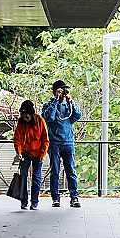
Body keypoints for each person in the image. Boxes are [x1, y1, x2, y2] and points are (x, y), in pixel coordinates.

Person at [42, 79, 82, 207]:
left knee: (71, 170)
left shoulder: (68, 105)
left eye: (64, 91)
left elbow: (77, 116)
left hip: (68, 142)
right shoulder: (48, 105)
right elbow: (49, 118)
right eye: (60, 90)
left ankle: (74, 197)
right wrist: (56, 101)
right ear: (54, 92)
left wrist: (71, 102)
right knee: (55, 170)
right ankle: (55, 198)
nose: (62, 93)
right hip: (54, 143)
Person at [13, 100, 49, 210]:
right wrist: (18, 153)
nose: (25, 118)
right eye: (23, 115)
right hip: (25, 154)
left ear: (31, 114)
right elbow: (17, 139)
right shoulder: (20, 122)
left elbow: (45, 140)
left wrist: (42, 155)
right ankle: (23, 201)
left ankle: (34, 202)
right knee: (23, 177)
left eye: (27, 116)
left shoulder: (40, 120)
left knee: (36, 179)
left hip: (38, 154)